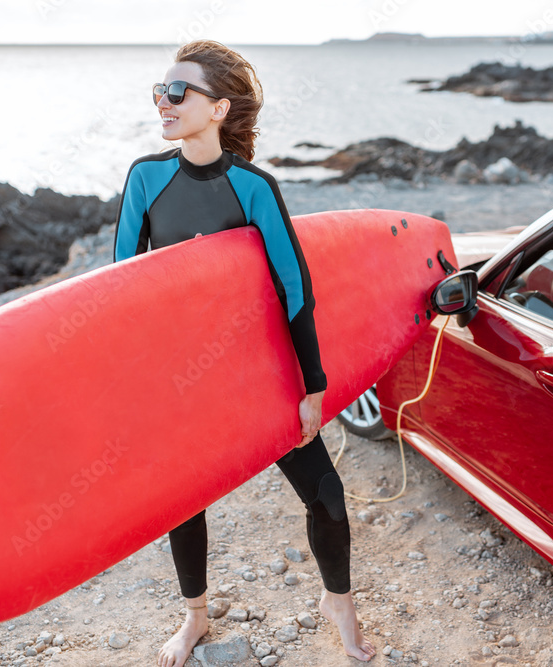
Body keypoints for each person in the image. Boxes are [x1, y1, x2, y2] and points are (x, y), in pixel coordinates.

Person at [112, 40, 376, 667]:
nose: (164, 102)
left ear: (219, 107)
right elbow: (123, 288)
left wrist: (312, 386)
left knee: (327, 498)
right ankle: (196, 616)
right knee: (184, 502)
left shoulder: (253, 186)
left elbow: (294, 287)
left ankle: (338, 602)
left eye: (178, 93)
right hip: (182, 378)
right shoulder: (146, 178)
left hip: (258, 375)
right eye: (159, 91)